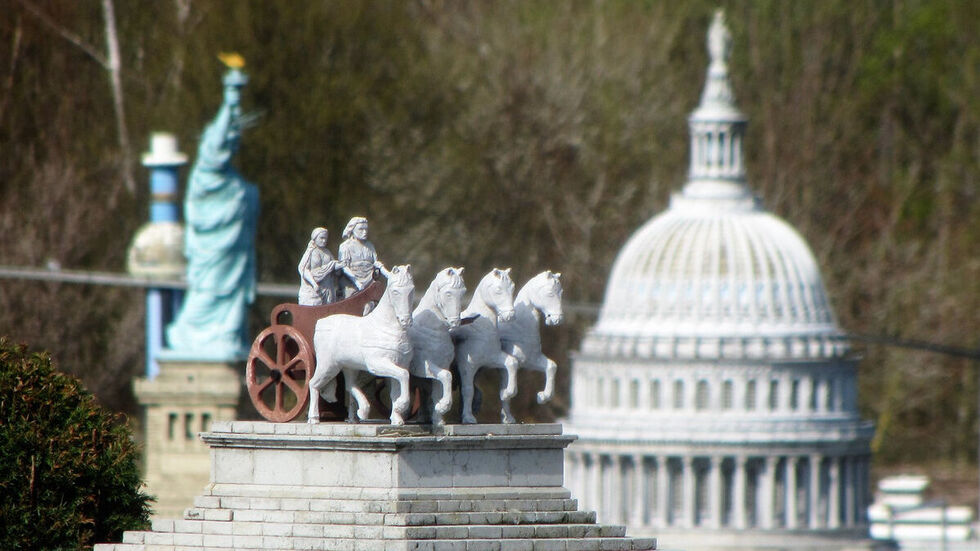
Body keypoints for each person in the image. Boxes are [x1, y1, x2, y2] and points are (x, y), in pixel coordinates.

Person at [165, 67, 259, 360]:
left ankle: (227, 333)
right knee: (206, 295)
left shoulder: (230, 179)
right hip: (213, 254)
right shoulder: (206, 172)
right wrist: (230, 103)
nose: (229, 146)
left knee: (226, 299)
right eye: (225, 142)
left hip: (233, 257)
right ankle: (187, 334)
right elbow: (215, 143)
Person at [338, 216, 384, 297]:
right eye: (361, 229)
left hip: (370, 280)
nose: (365, 232)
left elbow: (376, 263)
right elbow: (344, 267)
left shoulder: (370, 246)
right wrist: (357, 282)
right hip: (351, 282)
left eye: (366, 229)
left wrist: (379, 271)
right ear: (352, 230)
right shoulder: (345, 246)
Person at [297, 227, 343, 306]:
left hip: (328, 288)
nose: (324, 240)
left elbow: (333, 267)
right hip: (314, 290)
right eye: (321, 238)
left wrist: (341, 265)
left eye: (325, 238)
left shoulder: (327, 252)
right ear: (315, 238)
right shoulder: (310, 252)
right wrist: (314, 284)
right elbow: (303, 269)